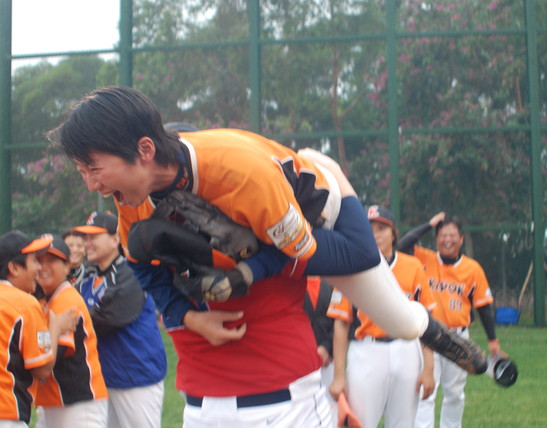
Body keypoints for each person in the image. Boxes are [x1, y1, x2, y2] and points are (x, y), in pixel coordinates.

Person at [49, 86, 486, 426]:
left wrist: (244, 274)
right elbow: (141, 265)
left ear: (146, 150)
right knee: (226, 239)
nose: (90, 184)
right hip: (262, 234)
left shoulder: (241, 176)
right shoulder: (133, 196)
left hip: (315, 215)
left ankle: (331, 168)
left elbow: (294, 253)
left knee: (398, 317)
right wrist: (186, 315)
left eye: (94, 168)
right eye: (82, 171)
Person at [328, 205, 436, 428]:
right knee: (361, 421)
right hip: (367, 351)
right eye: (369, 229)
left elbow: (427, 321)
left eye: (381, 229)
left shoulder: (413, 266)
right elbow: (340, 324)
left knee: (403, 423)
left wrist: (428, 368)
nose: (375, 235)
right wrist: (338, 376)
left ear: (393, 234)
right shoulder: (350, 266)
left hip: (407, 349)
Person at [398, 214, 505, 428]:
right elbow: (401, 246)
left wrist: (493, 340)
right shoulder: (424, 258)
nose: (448, 240)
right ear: (436, 239)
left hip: (458, 337)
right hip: (429, 336)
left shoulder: (472, 269)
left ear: (461, 239)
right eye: (443, 235)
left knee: (455, 393)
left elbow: (484, 307)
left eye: (452, 235)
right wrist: (429, 224)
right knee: (426, 391)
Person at [74, 212, 167, 428]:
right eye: (86, 237)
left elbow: (106, 317)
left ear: (115, 239)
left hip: (137, 378)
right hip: (105, 378)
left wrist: (68, 323)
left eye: (94, 236)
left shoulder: (131, 272)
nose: (88, 243)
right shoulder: (89, 277)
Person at [0, 231, 77, 427]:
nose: (39, 267)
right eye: (34, 260)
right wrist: (55, 328)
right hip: (6, 412)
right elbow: (42, 369)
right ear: (14, 268)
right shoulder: (24, 303)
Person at [34, 236, 108, 428]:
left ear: (67, 266)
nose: (43, 267)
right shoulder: (43, 301)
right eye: (38, 260)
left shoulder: (66, 301)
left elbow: (47, 359)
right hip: (57, 403)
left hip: (79, 406)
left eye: (51, 260)